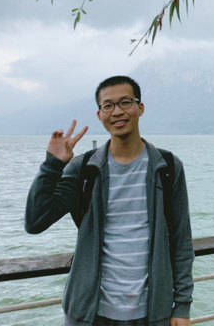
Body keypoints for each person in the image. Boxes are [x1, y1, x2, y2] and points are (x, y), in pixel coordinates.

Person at [25, 76, 194, 326]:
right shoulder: (84, 168)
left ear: (140, 107)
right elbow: (35, 221)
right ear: (99, 114)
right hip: (89, 313)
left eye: (125, 102)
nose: (117, 112)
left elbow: (181, 241)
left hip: (151, 312)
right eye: (108, 105)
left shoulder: (167, 167)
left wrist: (181, 307)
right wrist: (53, 165)